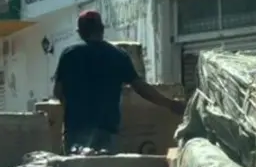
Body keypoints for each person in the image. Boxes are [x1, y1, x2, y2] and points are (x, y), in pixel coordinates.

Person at [53, 10, 185, 153]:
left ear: (80, 32)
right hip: (107, 130)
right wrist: (170, 104)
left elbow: (58, 91)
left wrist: (72, 110)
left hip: (75, 130)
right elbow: (141, 88)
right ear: (102, 29)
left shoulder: (69, 54)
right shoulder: (118, 55)